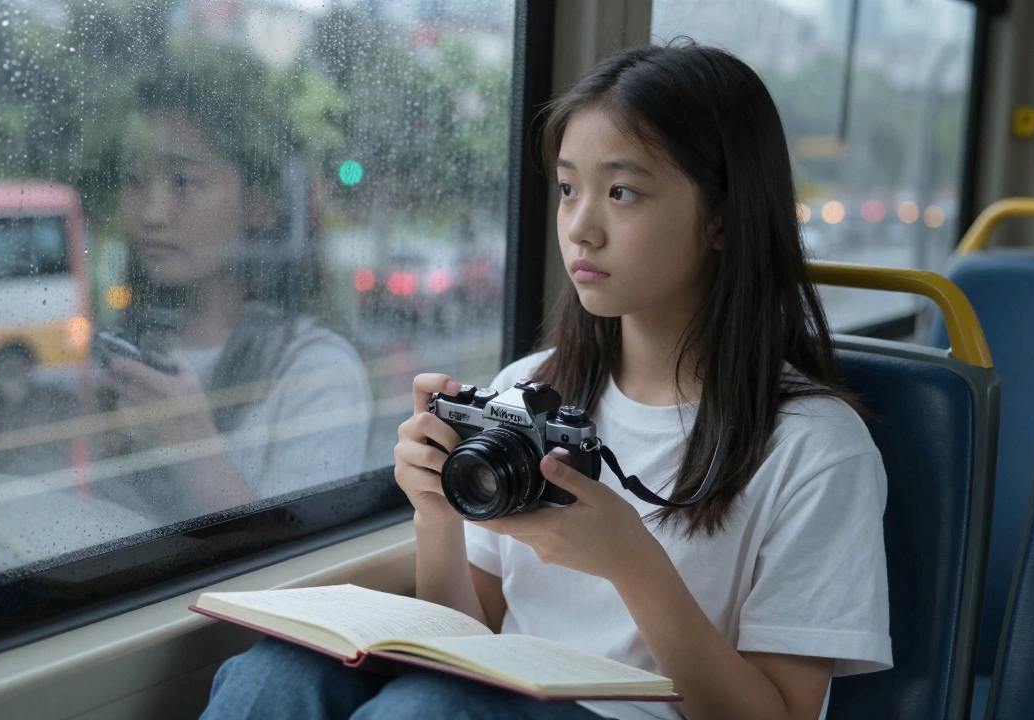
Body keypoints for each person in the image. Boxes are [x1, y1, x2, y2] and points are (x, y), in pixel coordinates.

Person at [199, 41, 890, 720]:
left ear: (721, 217)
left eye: (621, 192)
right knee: (276, 675)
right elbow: (462, 637)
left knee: (432, 708)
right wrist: (437, 514)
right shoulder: (529, 389)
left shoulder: (815, 447)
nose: (580, 229)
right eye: (567, 189)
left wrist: (634, 566)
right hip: (501, 698)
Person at [94, 49, 372, 522]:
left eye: (183, 181)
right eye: (134, 180)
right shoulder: (139, 344)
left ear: (261, 205)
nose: (151, 213)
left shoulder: (317, 371)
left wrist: (190, 447)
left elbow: (302, 570)